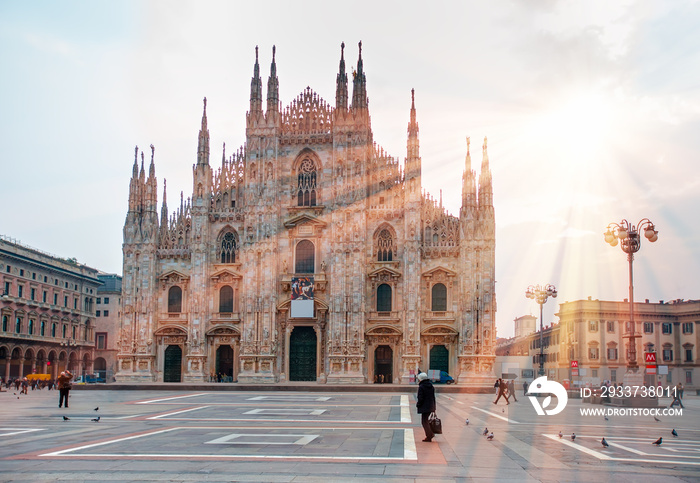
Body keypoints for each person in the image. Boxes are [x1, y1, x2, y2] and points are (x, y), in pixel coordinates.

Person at [416, 372, 436, 442]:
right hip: (430, 406)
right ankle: (430, 434)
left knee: (424, 422)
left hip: (424, 407)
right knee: (426, 421)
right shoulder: (431, 386)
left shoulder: (421, 387)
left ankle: (429, 435)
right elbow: (433, 397)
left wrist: (418, 404)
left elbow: (420, 398)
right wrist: (434, 407)